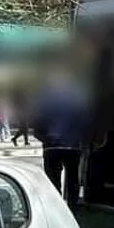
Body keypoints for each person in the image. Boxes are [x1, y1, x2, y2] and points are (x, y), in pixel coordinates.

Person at [34, 74, 89, 208]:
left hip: (52, 147)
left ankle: (56, 207)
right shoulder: (77, 101)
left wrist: (46, 139)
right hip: (72, 146)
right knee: (72, 179)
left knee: (53, 181)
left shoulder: (44, 102)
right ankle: (73, 208)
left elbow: (36, 127)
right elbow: (84, 123)